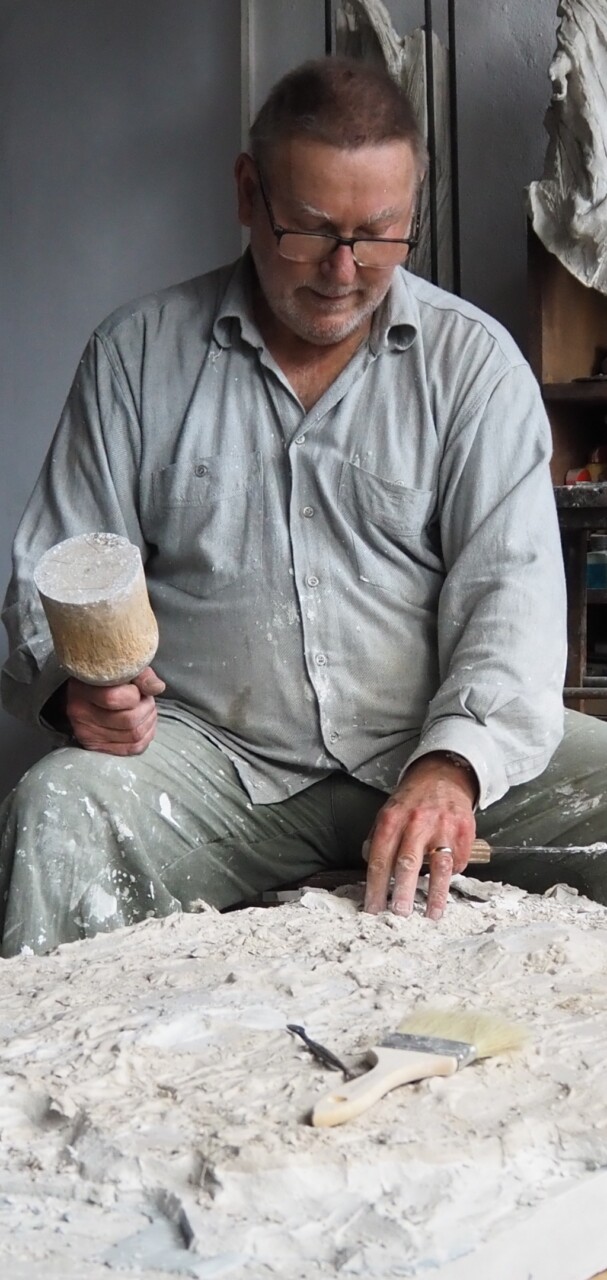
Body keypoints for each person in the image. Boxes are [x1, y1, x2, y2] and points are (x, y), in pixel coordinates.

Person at [1, 57, 606, 959]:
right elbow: (47, 577)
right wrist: (74, 689)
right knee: (57, 811)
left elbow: (511, 603)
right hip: (212, 765)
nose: (343, 270)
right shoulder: (135, 357)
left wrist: (452, 764)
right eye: (311, 231)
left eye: (379, 234)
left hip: (427, 744)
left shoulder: (472, 368)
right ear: (249, 193)